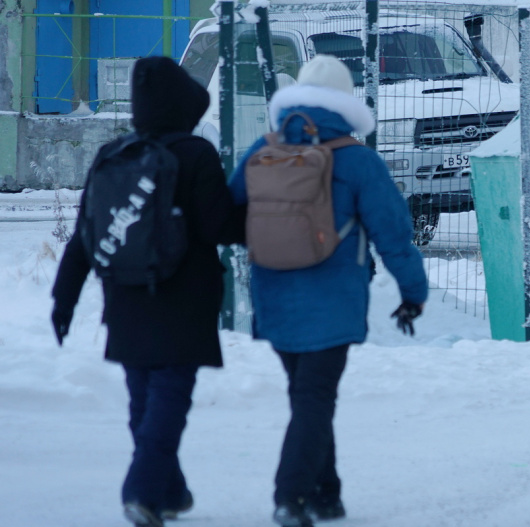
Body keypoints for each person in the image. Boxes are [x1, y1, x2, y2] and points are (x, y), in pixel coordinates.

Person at [227, 54, 429, 526]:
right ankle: (290, 497)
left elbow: (231, 211)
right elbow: (394, 236)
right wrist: (413, 292)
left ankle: (327, 493)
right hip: (334, 298)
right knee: (314, 398)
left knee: (307, 395)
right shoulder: (359, 161)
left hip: (272, 292)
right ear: (345, 104)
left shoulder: (262, 148)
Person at [50, 56, 241, 526]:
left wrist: (64, 299)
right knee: (169, 401)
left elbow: (84, 236)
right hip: (185, 300)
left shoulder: (114, 153)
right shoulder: (196, 154)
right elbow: (221, 226)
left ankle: (169, 492)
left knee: (143, 402)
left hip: (126, 297)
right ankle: (141, 492)